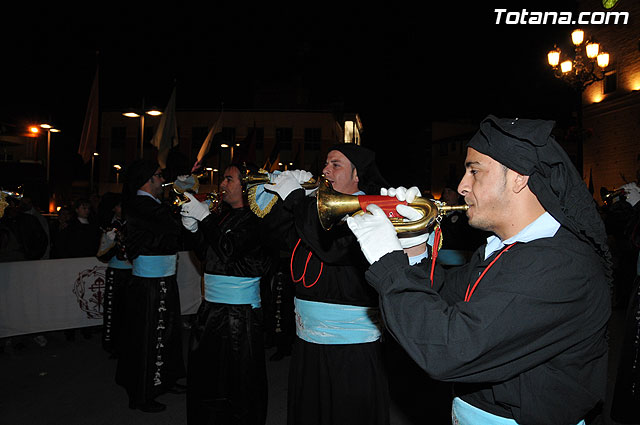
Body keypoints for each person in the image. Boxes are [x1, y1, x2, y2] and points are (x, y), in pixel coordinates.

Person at [346, 115, 612, 424]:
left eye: (475, 171)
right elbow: (444, 302)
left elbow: (449, 349)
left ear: (519, 177)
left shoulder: (560, 264)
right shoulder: (504, 247)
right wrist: (414, 248)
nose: (461, 185)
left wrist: (388, 264)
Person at [265, 144, 391, 425]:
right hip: (307, 339)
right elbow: (277, 239)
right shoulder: (313, 208)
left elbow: (332, 249)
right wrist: (283, 200)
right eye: (325, 164)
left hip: (350, 346)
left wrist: (298, 200)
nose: (324, 170)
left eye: (336, 165)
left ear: (357, 175)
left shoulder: (369, 211)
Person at [179, 162, 274, 425]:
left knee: (240, 383)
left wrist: (206, 219)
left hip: (239, 314)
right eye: (223, 179)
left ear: (246, 186)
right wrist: (193, 230)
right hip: (211, 309)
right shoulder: (223, 214)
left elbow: (230, 250)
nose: (222, 184)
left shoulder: (258, 219)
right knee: (207, 378)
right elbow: (208, 256)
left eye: (229, 179)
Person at [115, 159, 186, 413]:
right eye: (158, 176)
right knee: (149, 335)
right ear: (148, 179)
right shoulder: (139, 204)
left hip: (163, 277)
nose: (162, 180)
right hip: (149, 283)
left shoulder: (152, 204)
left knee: (166, 331)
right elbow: (172, 226)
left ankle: (164, 379)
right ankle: (142, 392)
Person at [96, 192, 131, 358]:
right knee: (113, 309)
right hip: (116, 272)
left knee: (130, 309)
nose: (122, 208)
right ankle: (113, 345)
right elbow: (102, 255)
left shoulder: (132, 223)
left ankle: (129, 343)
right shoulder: (109, 225)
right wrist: (110, 242)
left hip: (133, 271)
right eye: (119, 205)